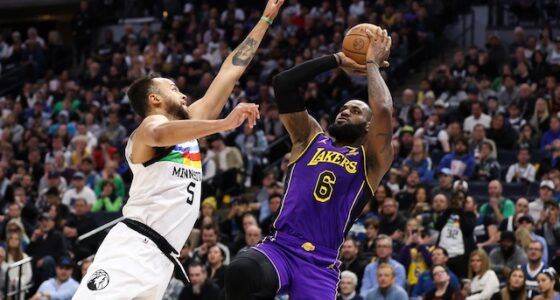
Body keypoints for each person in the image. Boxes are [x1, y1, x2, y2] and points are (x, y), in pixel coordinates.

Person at [73, 1, 285, 298]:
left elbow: (229, 72)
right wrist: (224, 123)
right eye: (172, 88)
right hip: (132, 248)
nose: (183, 93)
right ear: (154, 99)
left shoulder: (189, 127)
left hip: (162, 259)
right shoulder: (147, 130)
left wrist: (265, 19)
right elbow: (160, 132)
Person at [225, 25, 394, 300]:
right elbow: (283, 83)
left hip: (320, 262)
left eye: (355, 111)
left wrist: (372, 63)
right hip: (280, 247)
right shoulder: (309, 138)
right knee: (241, 272)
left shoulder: (372, 160)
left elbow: (384, 108)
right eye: (343, 109)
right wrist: (338, 59)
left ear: (369, 127)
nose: (345, 112)